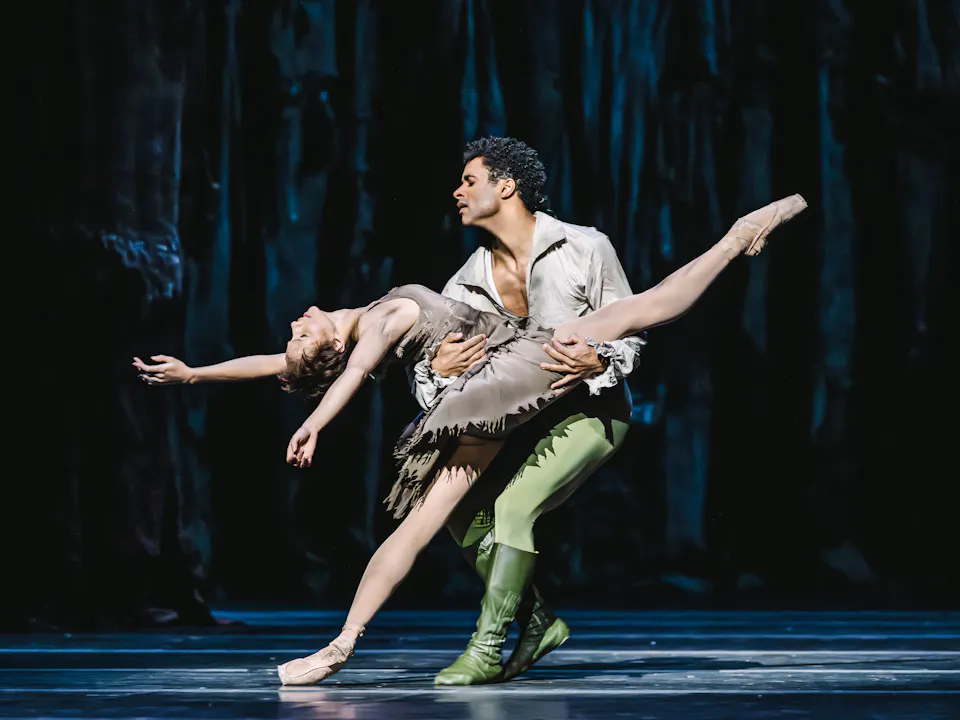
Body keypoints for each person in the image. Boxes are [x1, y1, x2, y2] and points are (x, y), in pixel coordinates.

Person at [135, 192, 808, 686]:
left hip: (506, 361)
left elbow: (274, 365)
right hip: (496, 379)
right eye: (300, 335)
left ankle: (737, 237)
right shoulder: (372, 328)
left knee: (629, 312)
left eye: (294, 332)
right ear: (329, 348)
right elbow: (354, 369)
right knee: (429, 521)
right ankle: (342, 645)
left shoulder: (364, 318)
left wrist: (195, 373)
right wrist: (314, 421)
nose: (295, 323)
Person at [405, 136, 647, 686]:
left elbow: (633, 332)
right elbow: (436, 392)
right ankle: (536, 620)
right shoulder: (464, 285)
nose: (457, 192)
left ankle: (486, 649)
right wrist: (438, 372)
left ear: (506, 186)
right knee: (457, 510)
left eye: (470, 181)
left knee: (514, 509)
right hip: (513, 424)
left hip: (593, 412)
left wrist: (598, 356)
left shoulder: (585, 248)